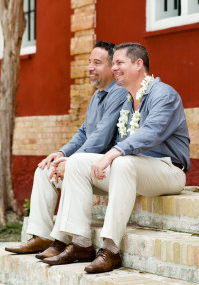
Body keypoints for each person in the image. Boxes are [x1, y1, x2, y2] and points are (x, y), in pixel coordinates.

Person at [37, 42, 190, 273]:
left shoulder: (163, 94)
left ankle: (110, 249)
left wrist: (111, 155)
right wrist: (75, 158)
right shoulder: (129, 100)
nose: (115, 68)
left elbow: (152, 132)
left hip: (168, 170)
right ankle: (80, 243)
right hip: (132, 170)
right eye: (114, 63)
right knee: (77, 163)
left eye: (120, 63)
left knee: (123, 161)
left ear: (139, 65)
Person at [5, 41, 127, 257]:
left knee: (68, 169)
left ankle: (64, 241)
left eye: (97, 63)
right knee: (44, 169)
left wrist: (70, 162)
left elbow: (101, 138)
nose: (90, 67)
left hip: (102, 167)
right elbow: (83, 132)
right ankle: (40, 236)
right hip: (86, 165)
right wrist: (61, 154)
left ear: (111, 67)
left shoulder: (118, 93)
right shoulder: (97, 96)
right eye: (89, 62)